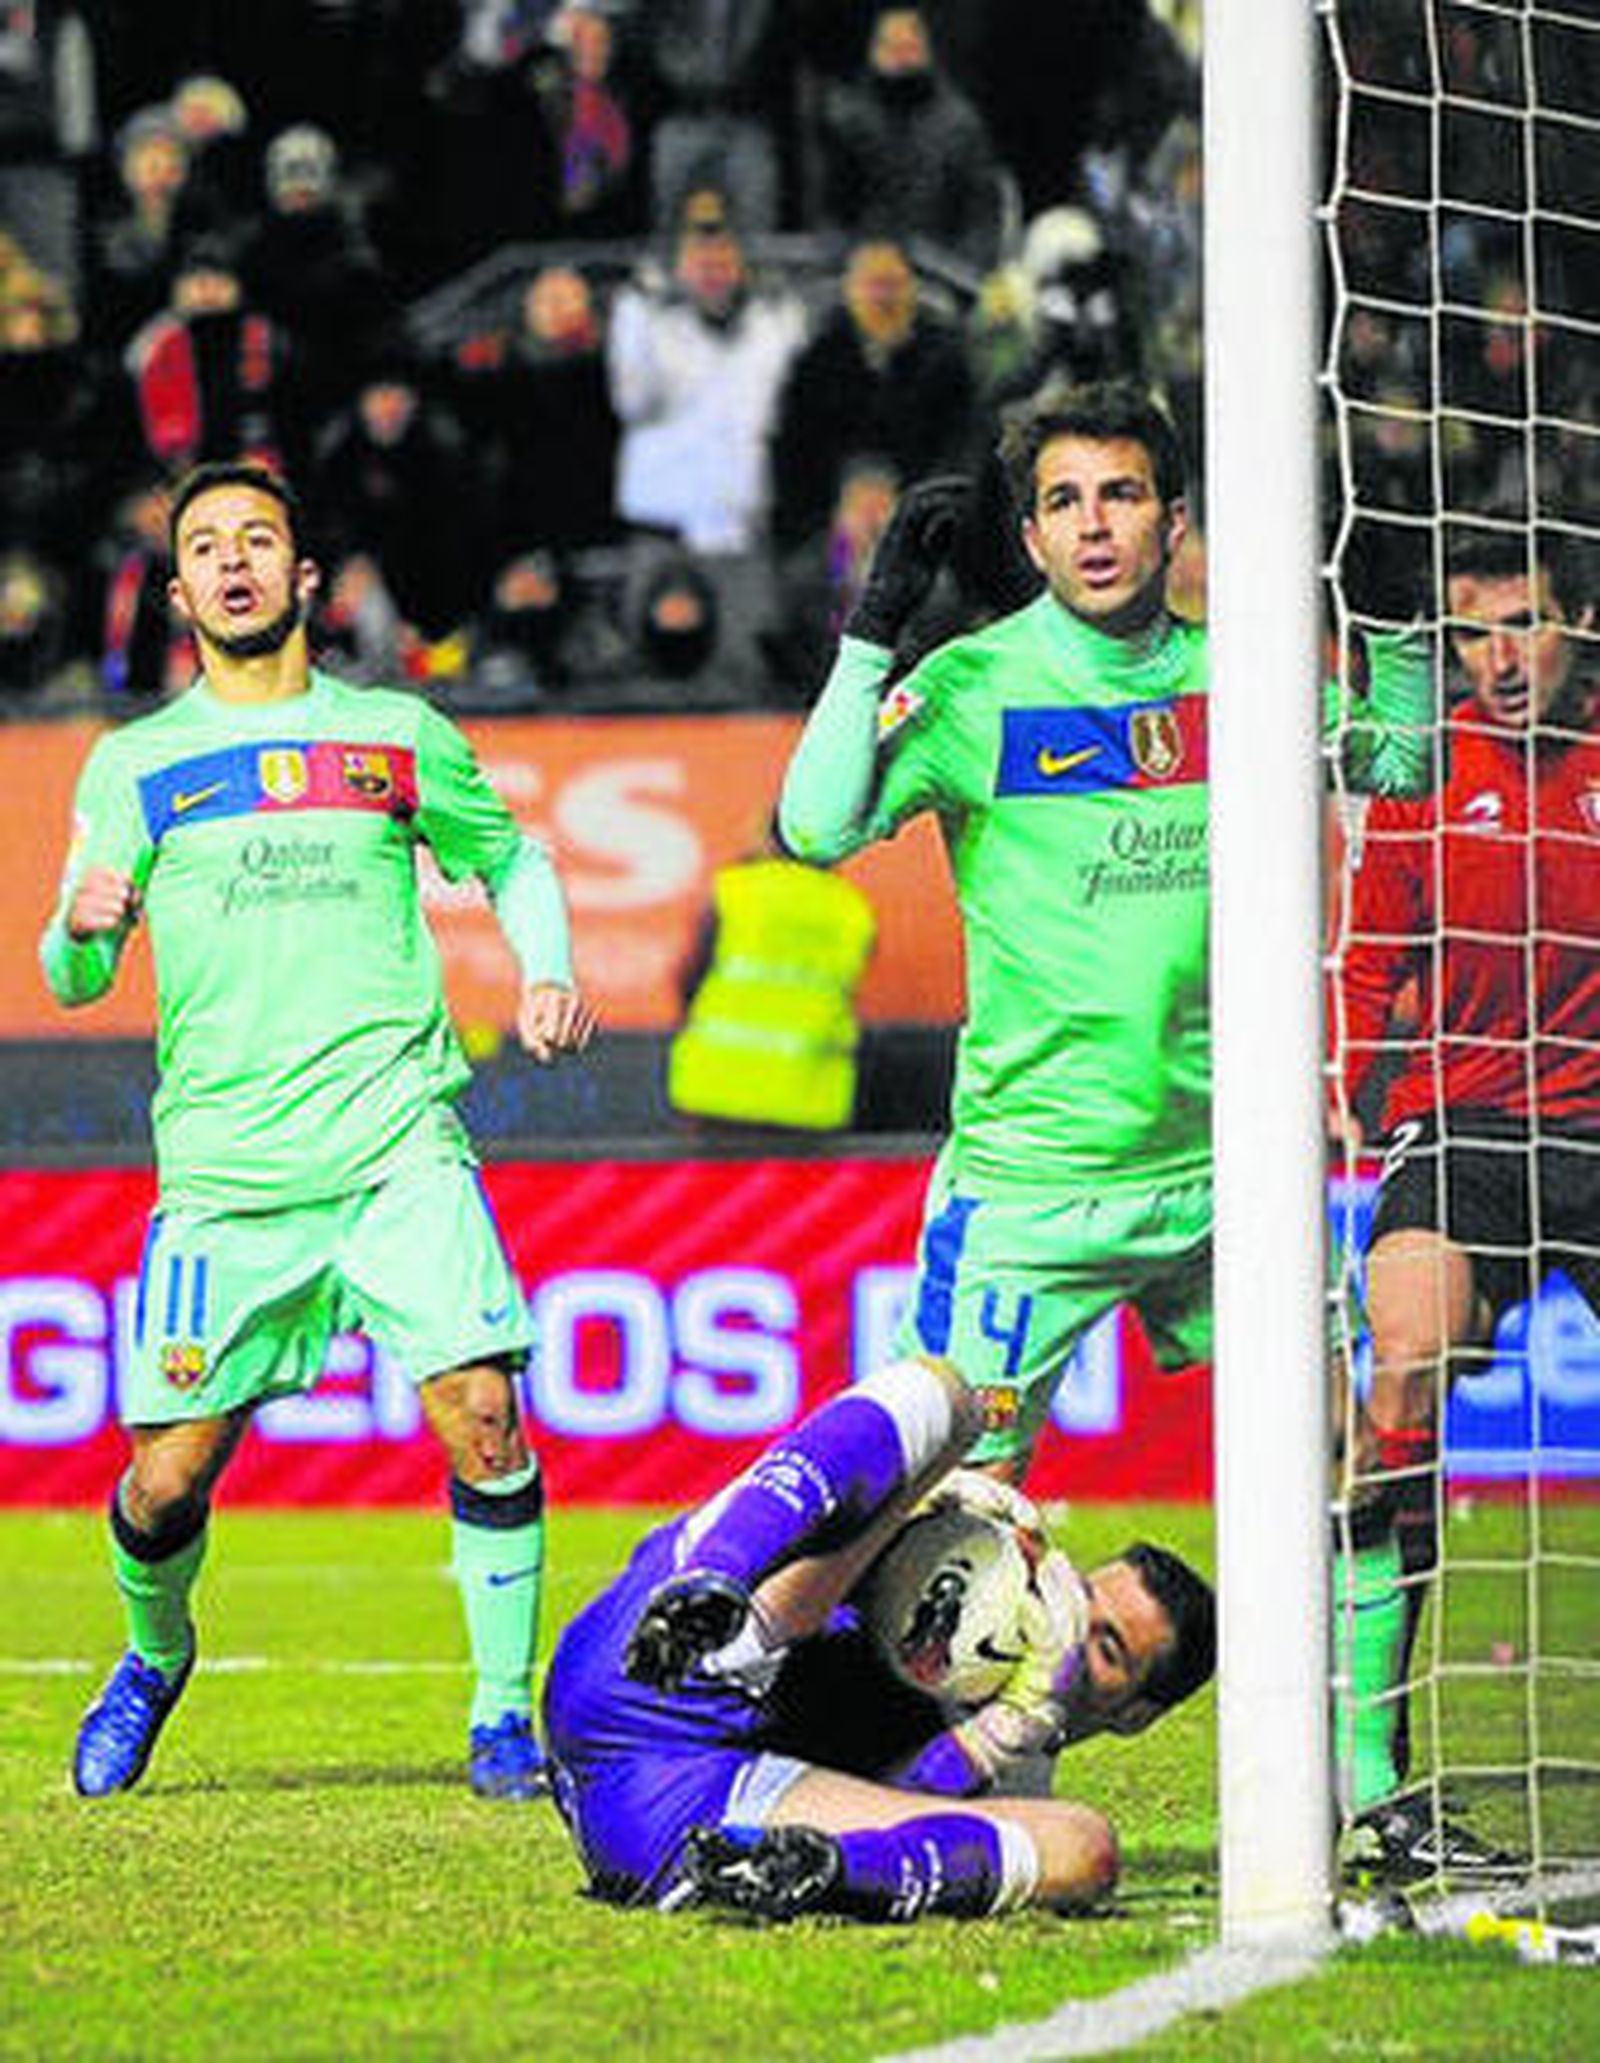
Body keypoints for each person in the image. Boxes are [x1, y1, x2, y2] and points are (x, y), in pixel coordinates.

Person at [40, 459, 597, 1804]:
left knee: (486, 1414)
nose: (235, 561)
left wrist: (547, 961)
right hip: (227, 1180)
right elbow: (68, 974)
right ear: (179, 596)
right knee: (166, 1480)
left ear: (304, 580)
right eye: (207, 548)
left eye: (259, 540)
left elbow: (512, 855)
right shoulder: (134, 764)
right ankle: (153, 1653)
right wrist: (83, 924)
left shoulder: (396, 735)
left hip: (397, 1142)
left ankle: (498, 1720)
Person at [779, 379, 1209, 1485]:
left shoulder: (1241, 674)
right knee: (953, 1501)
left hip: (1229, 1168)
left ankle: (1344, 1674)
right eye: (1064, 502)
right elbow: (815, 825)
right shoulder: (975, 686)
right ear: (1031, 536)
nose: (1096, 524)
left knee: (1350, 1457)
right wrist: (875, 628)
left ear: (1174, 518)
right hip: (1031, 1184)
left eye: (1122, 494)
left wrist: (1394, 612)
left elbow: (1402, 767)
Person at [542, 1353, 1216, 1918]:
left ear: (1134, 1713)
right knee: (953, 1396)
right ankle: (716, 1575)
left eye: (1102, 1646)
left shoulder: (1019, 1771)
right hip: (658, 1666)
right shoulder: (985, 1562)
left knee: (1083, 1846)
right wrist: (928, 1503)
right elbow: (973, 1411)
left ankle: (808, 1870)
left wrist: (1002, 1730)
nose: (1062, 1625)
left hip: (685, 1821)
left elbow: (888, 1799)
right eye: (1084, 1596)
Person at [1330, 526, 1599, 1879]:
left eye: (1527, 623)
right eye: (1476, 632)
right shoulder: (1426, 783)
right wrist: (1352, 1093)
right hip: (1469, 1126)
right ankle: (1371, 1769)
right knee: (1407, 1368)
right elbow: (1370, 962)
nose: (1502, 658)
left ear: (1579, 622)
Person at [667, 824, 877, 1131]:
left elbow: (688, 977)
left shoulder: (735, 890)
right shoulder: (853, 910)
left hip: (715, 1089)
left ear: (769, 839)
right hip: (810, 1099)